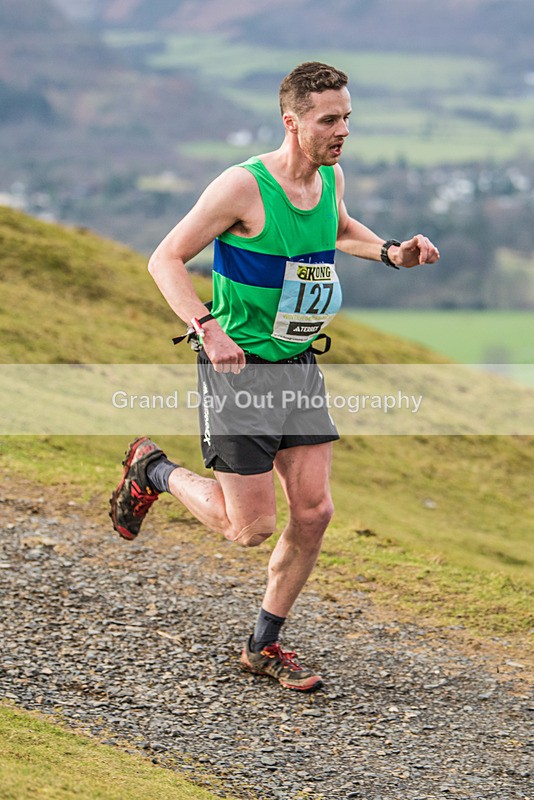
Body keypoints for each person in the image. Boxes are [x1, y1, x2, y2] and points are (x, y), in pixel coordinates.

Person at [109, 62, 440, 692]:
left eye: (347, 117)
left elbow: (340, 231)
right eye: (329, 120)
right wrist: (207, 326)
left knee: (314, 511)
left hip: (298, 364)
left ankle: (264, 645)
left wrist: (394, 252)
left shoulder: (330, 176)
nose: (343, 130)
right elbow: (165, 258)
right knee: (249, 528)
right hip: (238, 371)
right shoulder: (242, 187)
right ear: (292, 122)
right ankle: (152, 468)